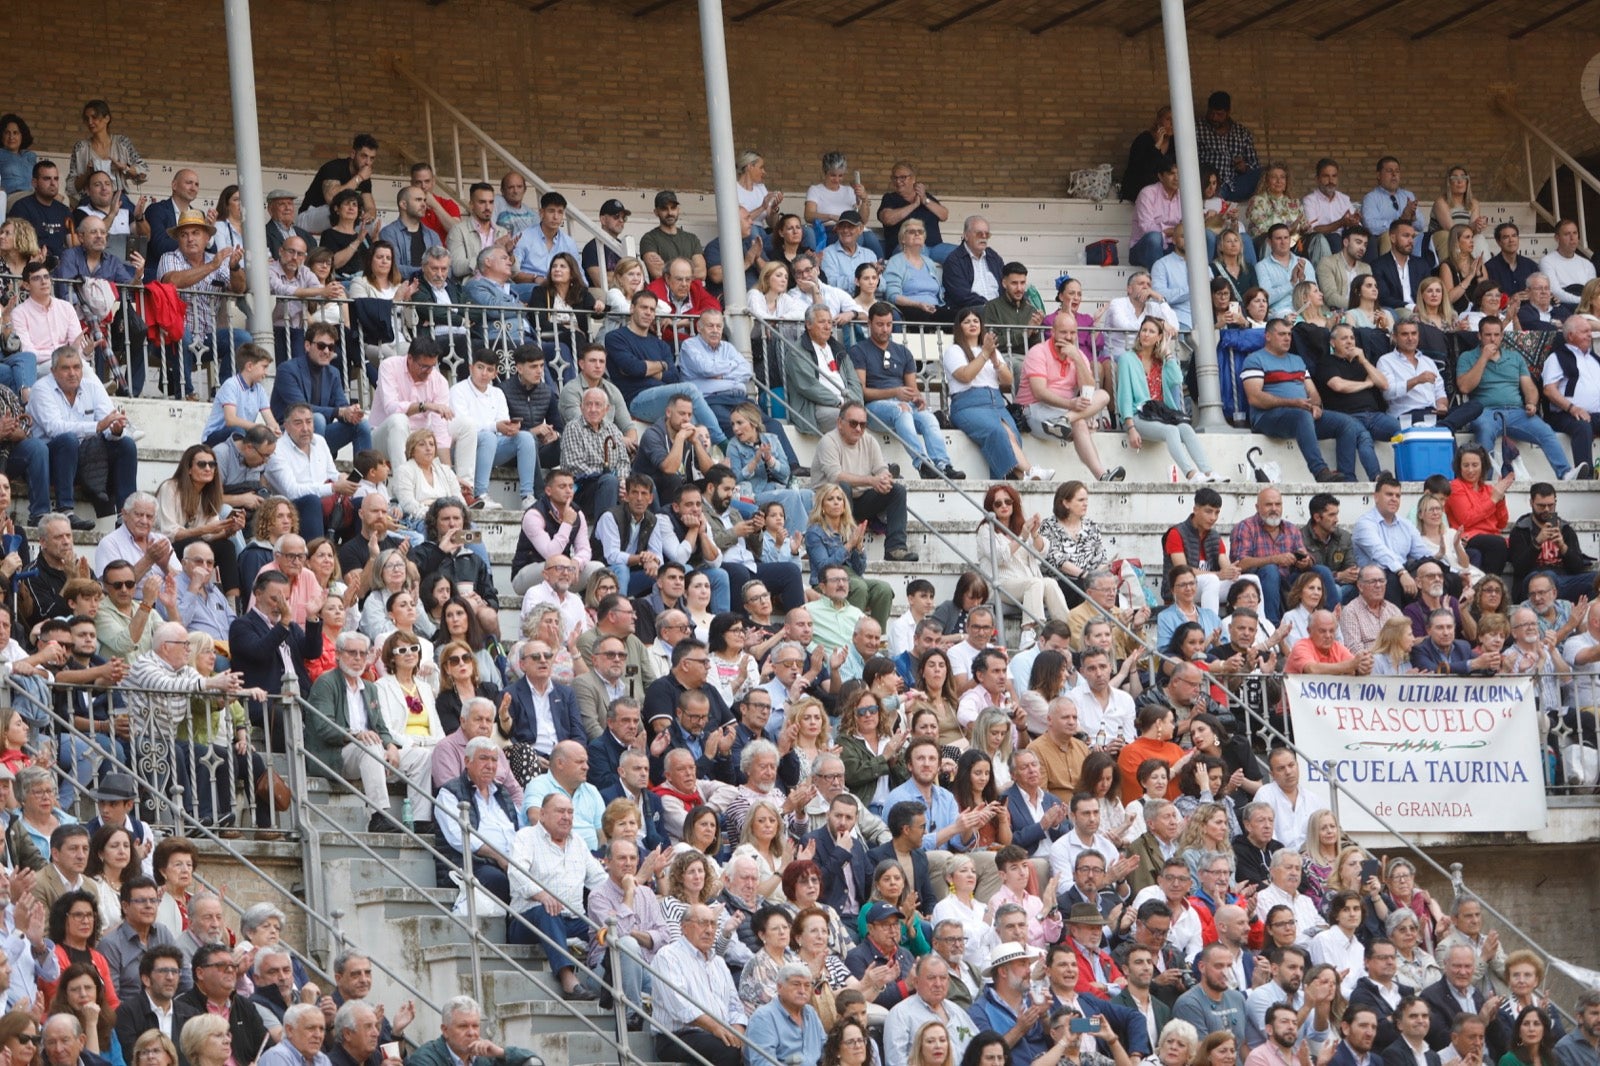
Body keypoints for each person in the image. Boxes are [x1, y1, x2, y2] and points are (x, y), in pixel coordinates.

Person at [1243, 319, 1374, 483]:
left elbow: (1313, 392)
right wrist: (1293, 403)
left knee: (1346, 423)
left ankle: (1347, 477)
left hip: (1300, 414)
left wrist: (1315, 406)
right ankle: (1320, 472)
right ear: (1268, 336)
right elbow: (1254, 397)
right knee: (1302, 416)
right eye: (1282, 334)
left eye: (1289, 334)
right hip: (1268, 418)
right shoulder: (1255, 359)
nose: (1287, 338)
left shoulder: (1297, 360)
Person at [944, 309, 1054, 482]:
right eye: (967, 321)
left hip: (996, 403)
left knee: (1012, 435)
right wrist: (985, 354)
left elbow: (1007, 380)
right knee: (996, 432)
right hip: (969, 405)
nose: (972, 324)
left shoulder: (988, 350)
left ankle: (1023, 475)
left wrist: (995, 360)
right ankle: (1029, 470)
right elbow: (965, 376)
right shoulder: (954, 351)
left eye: (976, 321)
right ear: (959, 327)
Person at [811, 401, 918, 563]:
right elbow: (836, 476)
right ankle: (845, 543)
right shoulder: (828, 441)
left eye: (863, 424)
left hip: (859, 502)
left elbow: (880, 468)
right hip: (828, 504)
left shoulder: (869, 440)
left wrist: (884, 479)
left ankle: (895, 548)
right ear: (840, 423)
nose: (858, 429)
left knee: (897, 490)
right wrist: (871, 480)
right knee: (842, 487)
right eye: (853, 423)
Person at [1172, 943, 1248, 1044]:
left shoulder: (1237, 998)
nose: (1225, 972)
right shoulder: (1188, 1004)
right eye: (1219, 966)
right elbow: (1201, 1052)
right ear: (1202, 967)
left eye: (1229, 966)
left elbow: (1244, 1044)